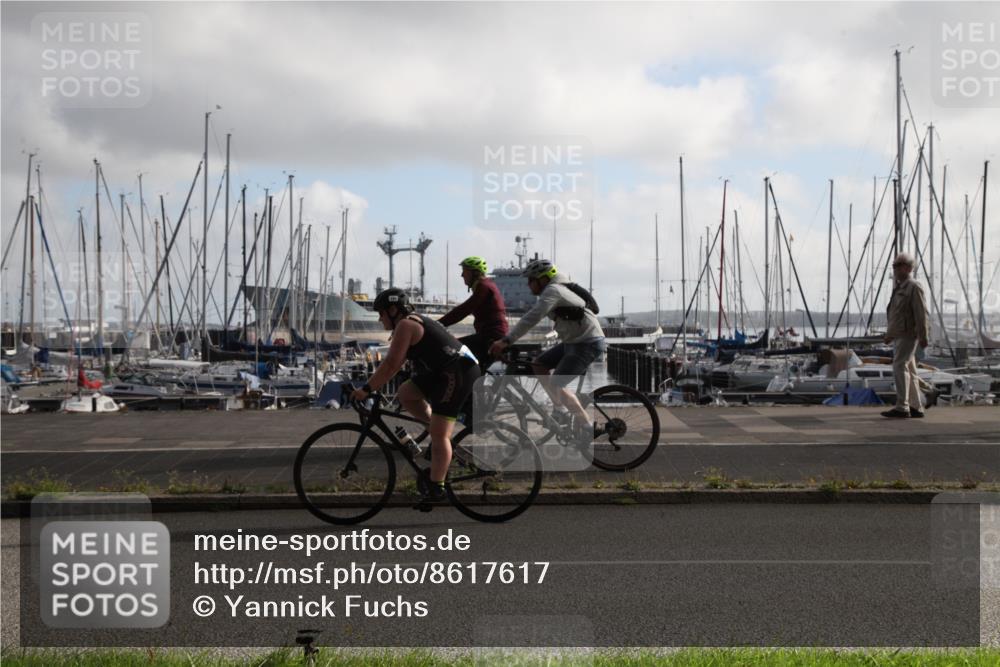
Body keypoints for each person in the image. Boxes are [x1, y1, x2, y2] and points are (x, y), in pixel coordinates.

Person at [350, 288, 480, 504]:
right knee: (406, 393)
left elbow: (392, 364)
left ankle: (437, 488)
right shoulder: (410, 322)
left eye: (381, 314)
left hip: (457, 373)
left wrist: (366, 389)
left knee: (440, 434)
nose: (380, 319)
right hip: (443, 371)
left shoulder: (406, 325)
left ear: (393, 310)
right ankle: (437, 438)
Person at [488, 258, 606, 435]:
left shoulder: (553, 291)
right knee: (539, 365)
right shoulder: (555, 290)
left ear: (542, 279)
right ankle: (560, 410)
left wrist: (506, 340)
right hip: (573, 341)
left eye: (531, 280)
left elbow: (532, 317)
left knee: (558, 383)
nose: (528, 285)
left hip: (587, 342)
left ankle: (587, 427)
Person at [437, 256, 509, 373]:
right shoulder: (485, 285)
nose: (462, 275)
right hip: (490, 334)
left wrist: (439, 324)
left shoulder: (483, 286)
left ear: (475, 273)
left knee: (453, 348)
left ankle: (470, 387)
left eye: (464, 271)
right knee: (471, 366)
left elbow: (465, 309)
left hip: (491, 336)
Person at [881, 252, 930, 418]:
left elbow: (920, 313)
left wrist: (923, 336)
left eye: (898, 265)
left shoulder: (913, 287)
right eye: (894, 265)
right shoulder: (900, 287)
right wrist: (890, 334)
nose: (894, 268)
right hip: (900, 334)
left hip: (908, 334)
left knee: (899, 366)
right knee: (910, 369)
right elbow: (895, 314)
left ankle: (902, 407)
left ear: (909, 268)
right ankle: (916, 406)